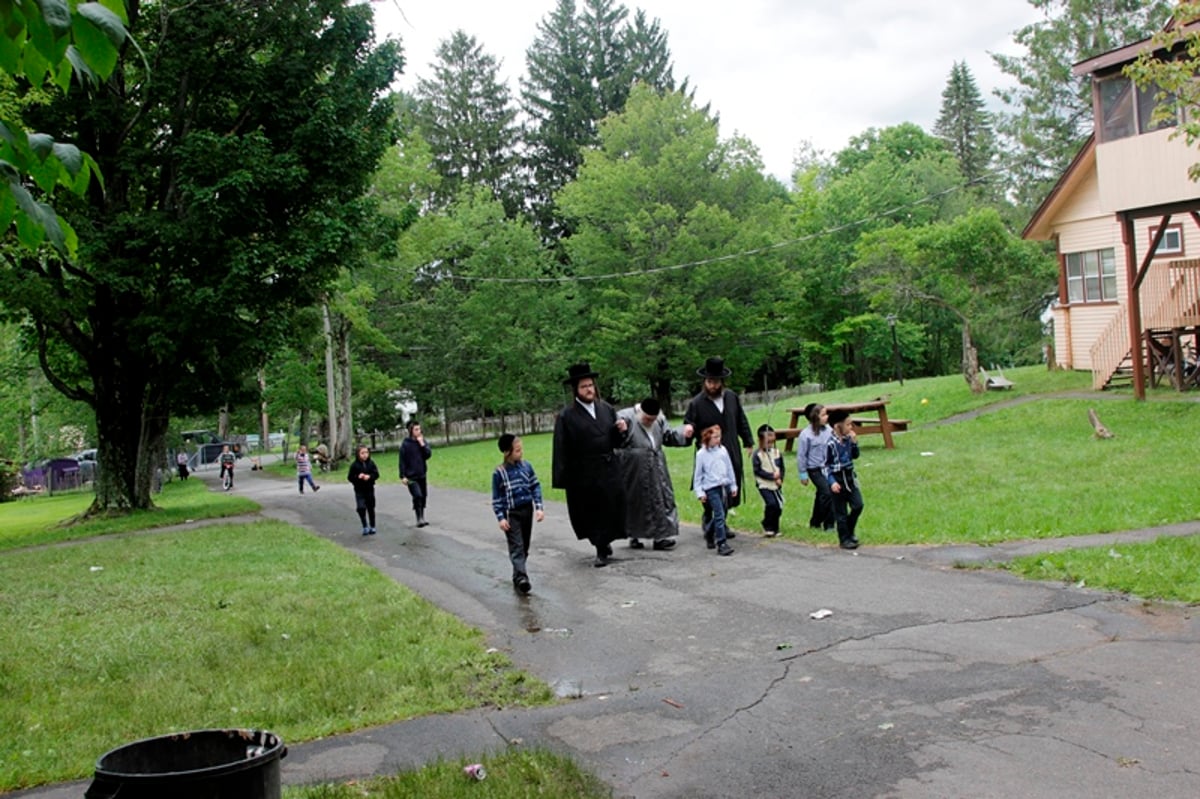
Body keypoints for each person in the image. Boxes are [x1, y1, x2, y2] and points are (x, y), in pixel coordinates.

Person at [552, 362, 626, 567]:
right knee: (592, 512)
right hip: (584, 472)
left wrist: (621, 430)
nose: (589, 389)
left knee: (611, 508)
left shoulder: (606, 409)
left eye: (591, 385)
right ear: (576, 389)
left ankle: (605, 541)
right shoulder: (567, 416)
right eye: (584, 386)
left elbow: (617, 442)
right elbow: (561, 447)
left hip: (608, 467)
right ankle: (600, 547)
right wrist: (564, 476)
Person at [684, 357, 754, 520]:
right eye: (709, 381)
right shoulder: (697, 403)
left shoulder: (731, 397)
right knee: (712, 487)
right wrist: (688, 430)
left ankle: (722, 521)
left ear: (722, 381)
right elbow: (689, 424)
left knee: (729, 484)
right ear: (705, 381)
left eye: (716, 382)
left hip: (730, 448)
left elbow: (741, 419)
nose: (713, 385)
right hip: (709, 453)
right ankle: (710, 520)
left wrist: (748, 441)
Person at [492, 434, 544, 594]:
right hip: (511, 514)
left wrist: (539, 507)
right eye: (517, 450)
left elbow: (535, 486)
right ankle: (523, 578)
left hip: (526, 510)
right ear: (507, 452)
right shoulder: (499, 473)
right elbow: (497, 498)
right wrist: (500, 517)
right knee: (517, 546)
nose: (521, 453)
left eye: (521, 450)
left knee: (525, 546)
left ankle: (517, 575)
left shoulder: (527, 467)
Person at [693, 425, 737, 556]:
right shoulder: (701, 454)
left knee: (722, 514)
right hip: (711, 488)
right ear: (707, 438)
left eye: (719, 436)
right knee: (719, 515)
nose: (718, 439)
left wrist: (733, 485)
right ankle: (722, 543)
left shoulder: (723, 450)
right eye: (715, 437)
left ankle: (709, 532)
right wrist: (700, 492)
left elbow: (729, 468)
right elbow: (698, 476)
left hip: (724, 486)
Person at [824, 409, 863, 549]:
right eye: (847, 425)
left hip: (849, 477)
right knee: (840, 512)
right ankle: (844, 539)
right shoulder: (830, 444)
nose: (850, 427)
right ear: (837, 426)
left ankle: (849, 530)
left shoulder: (847, 440)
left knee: (858, 505)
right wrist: (832, 481)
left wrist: (854, 443)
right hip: (837, 479)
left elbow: (855, 455)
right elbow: (825, 466)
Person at [796, 403, 835, 532]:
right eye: (823, 415)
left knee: (823, 496)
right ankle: (826, 523)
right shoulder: (806, 435)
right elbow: (802, 456)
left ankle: (818, 522)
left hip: (828, 468)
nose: (827, 417)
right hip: (815, 470)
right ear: (814, 417)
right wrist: (803, 474)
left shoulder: (829, 430)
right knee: (827, 492)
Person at [751, 424, 784, 537]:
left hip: (776, 484)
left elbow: (781, 467)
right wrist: (771, 476)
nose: (769, 444)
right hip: (764, 484)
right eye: (767, 442)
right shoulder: (758, 455)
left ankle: (775, 526)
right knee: (771, 504)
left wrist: (780, 478)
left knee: (779, 506)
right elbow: (758, 471)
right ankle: (768, 525)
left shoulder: (776, 452)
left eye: (771, 442)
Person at [399, 420, 432, 527]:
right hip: (411, 476)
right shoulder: (406, 444)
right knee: (417, 495)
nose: (419, 431)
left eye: (419, 429)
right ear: (411, 430)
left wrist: (422, 444)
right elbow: (402, 461)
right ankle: (418, 518)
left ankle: (422, 517)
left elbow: (428, 455)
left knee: (423, 496)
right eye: (416, 429)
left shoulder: (422, 441)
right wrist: (402, 476)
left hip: (422, 473)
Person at [347, 445, 379, 535]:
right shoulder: (354, 465)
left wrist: (369, 477)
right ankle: (365, 525)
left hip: (369, 489)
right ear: (358, 454)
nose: (365, 455)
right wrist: (358, 477)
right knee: (361, 507)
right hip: (359, 490)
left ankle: (372, 526)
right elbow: (350, 477)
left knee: (371, 508)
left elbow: (376, 474)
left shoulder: (371, 463)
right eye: (362, 453)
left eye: (366, 453)